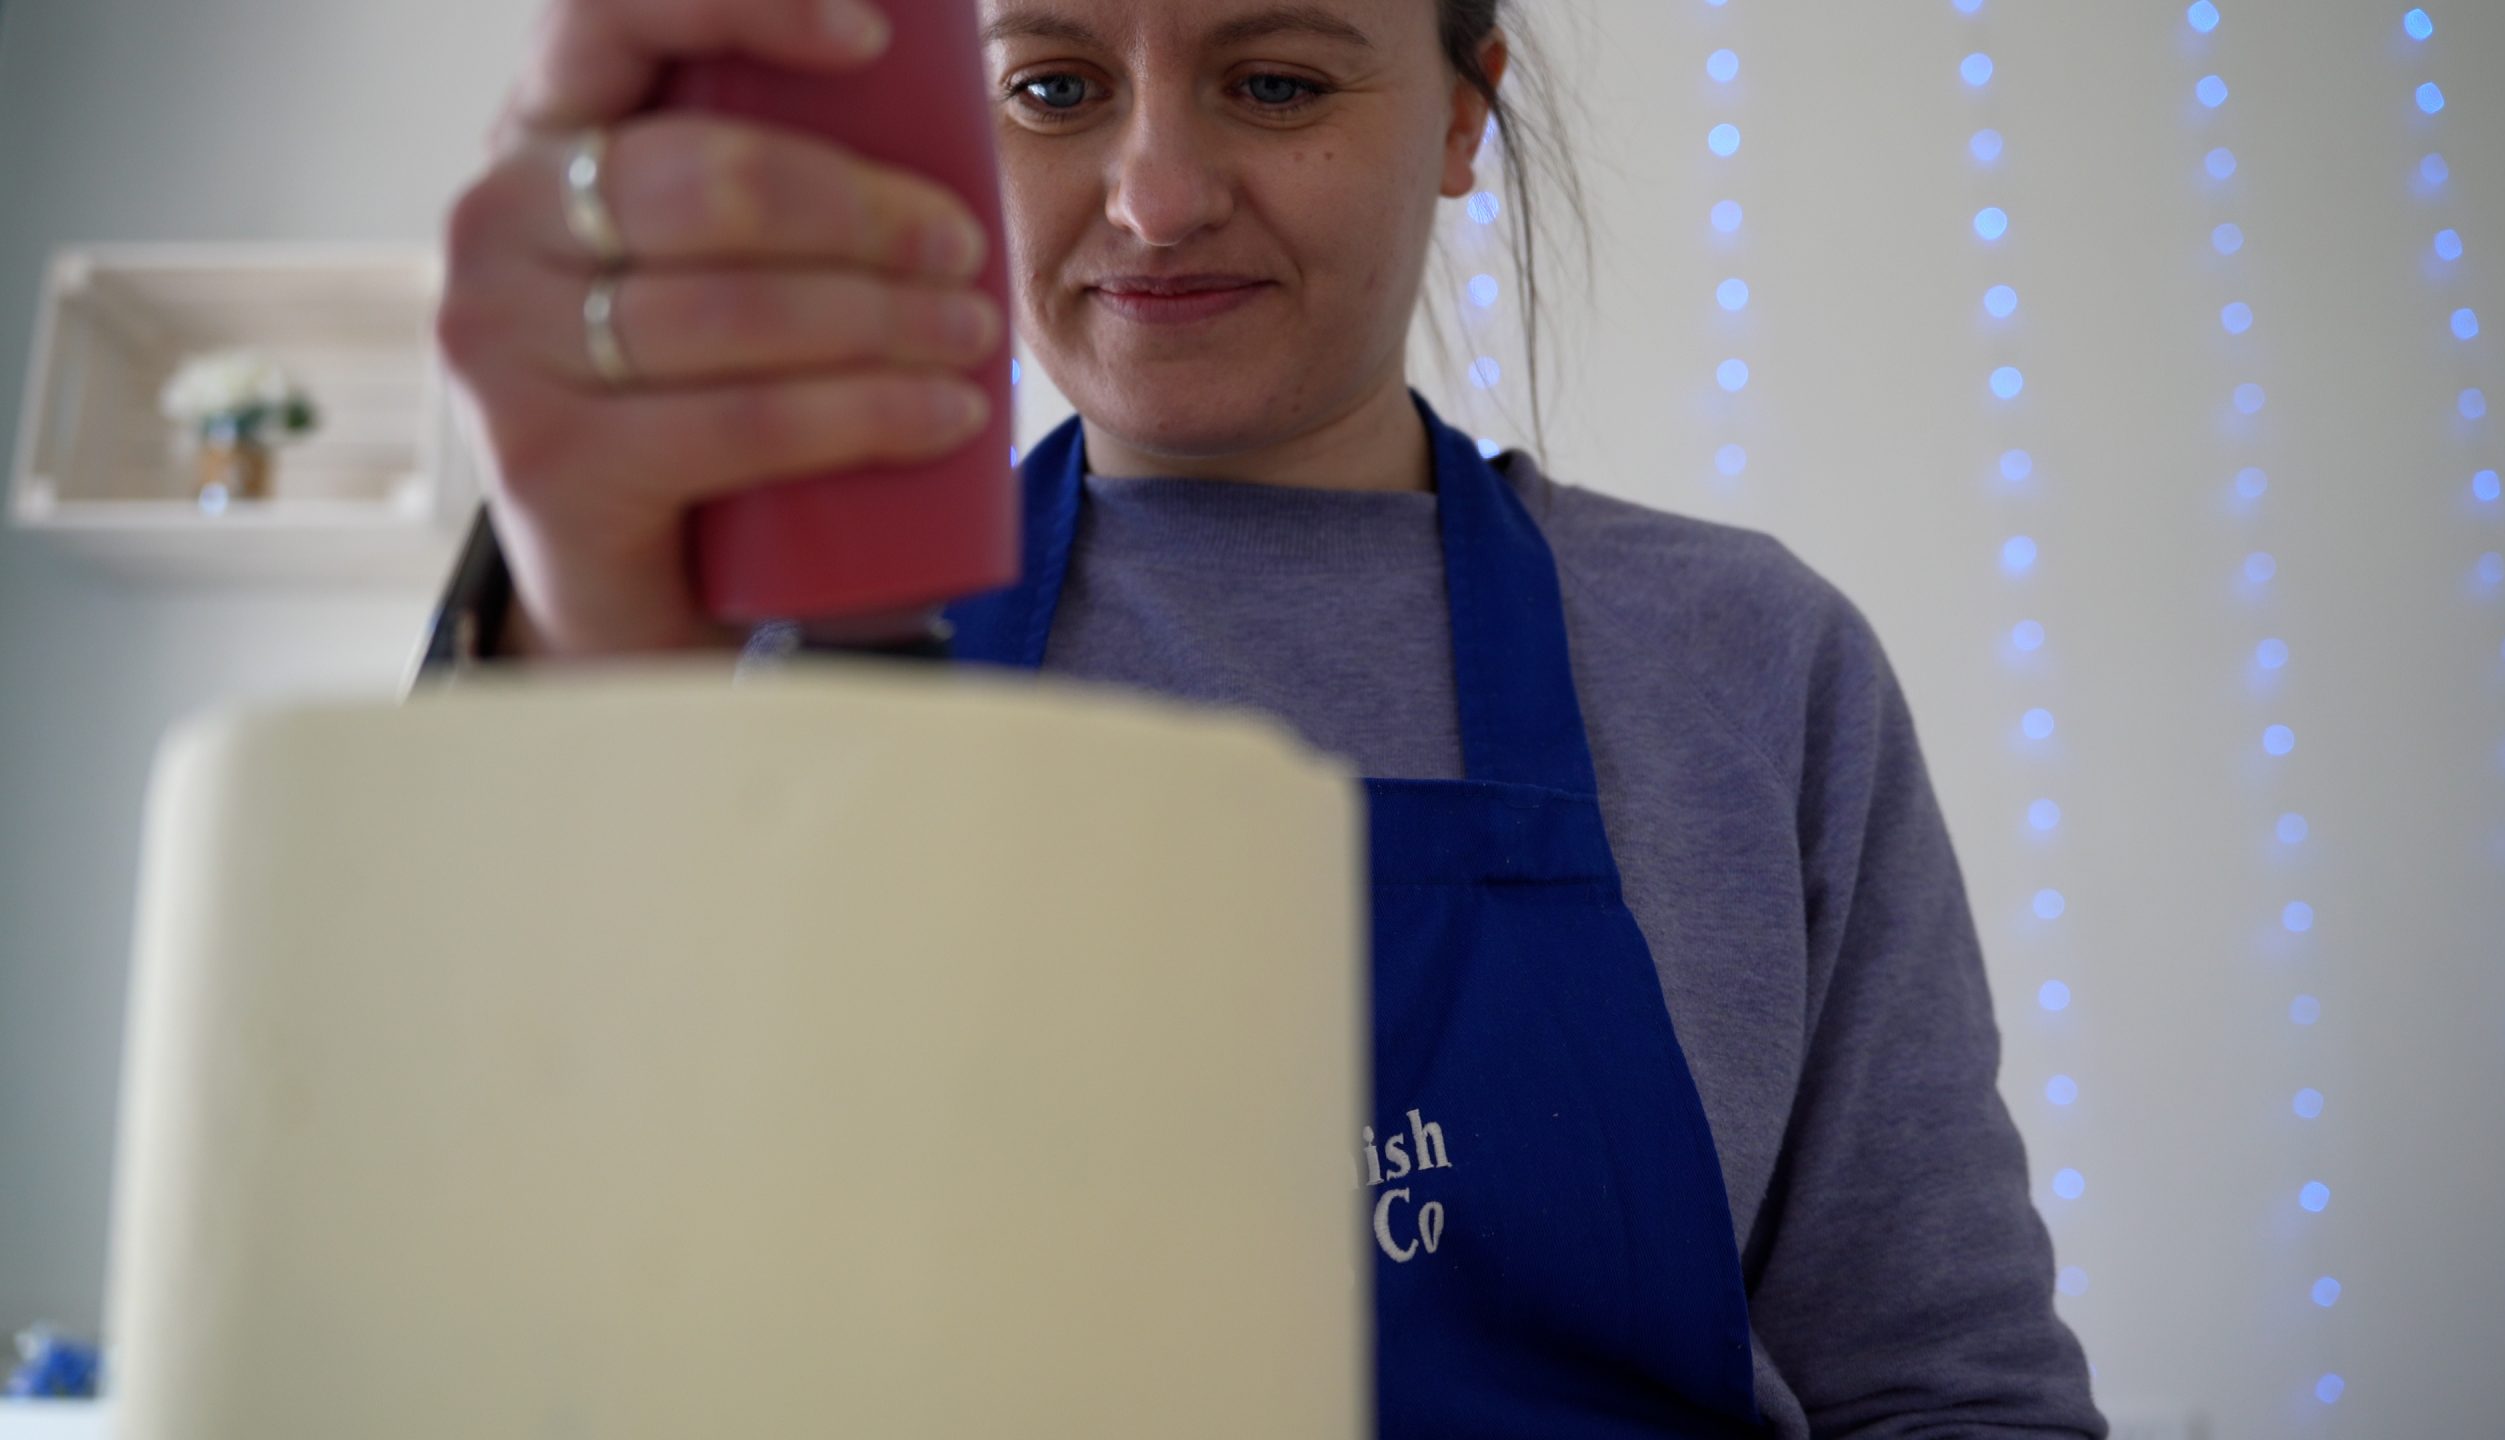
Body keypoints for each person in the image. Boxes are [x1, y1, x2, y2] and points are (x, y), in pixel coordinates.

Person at [416, 1, 2110, 1434]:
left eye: (1278, 82)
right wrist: (567, 627)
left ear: (1461, 119)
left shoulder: (1750, 661)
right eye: (1054, 87)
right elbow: (486, 1312)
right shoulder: (748, 654)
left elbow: (1947, 1393)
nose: (1153, 199)